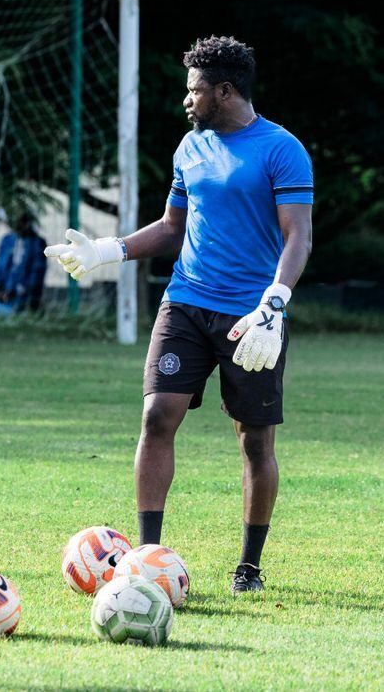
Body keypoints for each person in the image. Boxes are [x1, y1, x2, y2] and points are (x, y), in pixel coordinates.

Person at [45, 36, 313, 594]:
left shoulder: (282, 149)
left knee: (255, 442)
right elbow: (171, 228)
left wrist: (275, 302)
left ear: (225, 90)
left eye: (194, 90)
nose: (186, 100)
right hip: (185, 303)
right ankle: (144, 557)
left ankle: (249, 566)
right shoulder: (190, 147)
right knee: (156, 418)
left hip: (251, 316)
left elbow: (298, 236)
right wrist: (106, 250)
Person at [0, 213, 47, 315]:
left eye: (23, 222)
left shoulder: (37, 244)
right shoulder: (7, 240)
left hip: (22, 298)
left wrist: (16, 291)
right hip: (2, 294)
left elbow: (36, 276)